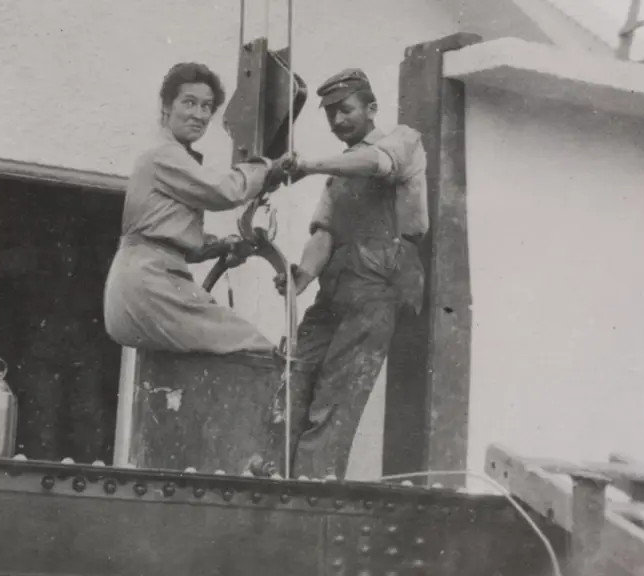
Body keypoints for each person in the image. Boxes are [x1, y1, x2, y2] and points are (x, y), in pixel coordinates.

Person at [275, 68, 429, 479]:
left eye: (346, 110)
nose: (338, 121)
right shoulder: (339, 172)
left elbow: (379, 163)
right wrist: (300, 276)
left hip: (376, 290)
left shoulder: (403, 141)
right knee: (291, 380)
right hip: (335, 292)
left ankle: (310, 498)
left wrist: (307, 165)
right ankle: (274, 483)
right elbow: (325, 235)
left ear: (372, 108)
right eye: (331, 115)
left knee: (333, 401)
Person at [104, 62, 288, 354]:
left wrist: (222, 246)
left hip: (140, 287)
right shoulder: (164, 155)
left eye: (207, 107)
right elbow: (225, 191)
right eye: (189, 103)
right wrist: (266, 168)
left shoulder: (169, 159)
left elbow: (176, 241)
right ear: (166, 107)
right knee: (255, 348)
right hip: (151, 286)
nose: (199, 115)